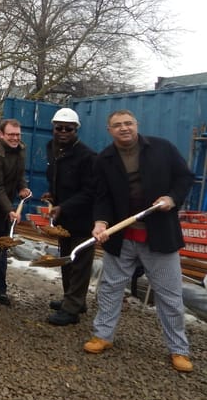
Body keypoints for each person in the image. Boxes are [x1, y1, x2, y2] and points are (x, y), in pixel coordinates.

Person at [83, 110, 194, 373]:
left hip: (159, 236)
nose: (124, 128)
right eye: (117, 125)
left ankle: (179, 349)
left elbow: (184, 178)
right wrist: (100, 222)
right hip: (122, 238)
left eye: (128, 123)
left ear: (136, 126)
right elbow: (102, 197)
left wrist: (171, 198)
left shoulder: (162, 148)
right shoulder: (104, 159)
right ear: (109, 130)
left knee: (169, 295)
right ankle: (103, 336)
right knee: (110, 289)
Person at [42, 108, 96, 326]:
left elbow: (90, 191)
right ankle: (72, 300)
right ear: (53, 128)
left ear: (76, 130)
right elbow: (56, 178)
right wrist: (53, 196)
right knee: (66, 259)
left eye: (68, 129)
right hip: (63, 217)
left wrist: (63, 206)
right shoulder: (52, 149)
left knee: (80, 261)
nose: (63, 132)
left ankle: (71, 310)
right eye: (59, 128)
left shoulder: (87, 156)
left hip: (83, 217)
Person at [0, 118, 31, 306]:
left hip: (4, 209)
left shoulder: (20, 150)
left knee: (1, 250)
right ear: (1, 134)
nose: (15, 138)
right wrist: (10, 210)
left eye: (17, 135)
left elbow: (19, 175)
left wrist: (23, 187)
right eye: (11, 134)